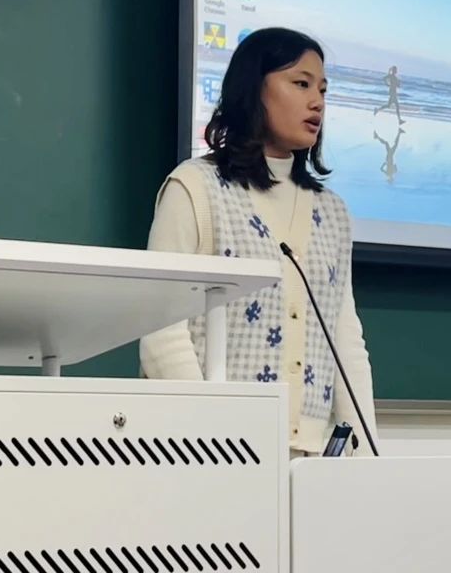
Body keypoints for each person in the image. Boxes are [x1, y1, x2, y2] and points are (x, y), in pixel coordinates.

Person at [140, 27, 379, 457]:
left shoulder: (333, 212)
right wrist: (208, 441)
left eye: (323, 90)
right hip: (212, 450)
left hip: (311, 457)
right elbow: (161, 329)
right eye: (301, 83)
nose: (317, 102)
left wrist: (366, 455)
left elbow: (345, 339)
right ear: (254, 89)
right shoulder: (195, 188)